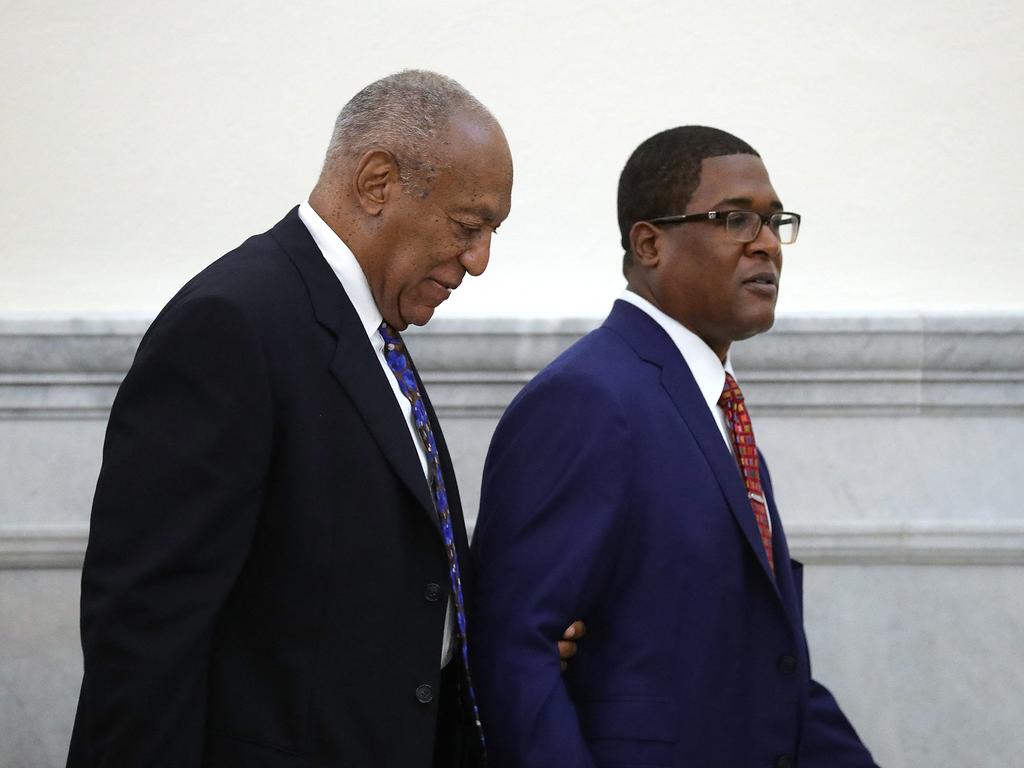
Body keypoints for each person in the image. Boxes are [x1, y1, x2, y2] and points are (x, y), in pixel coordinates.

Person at [66, 70, 581, 768]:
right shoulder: (232, 324)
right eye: (469, 226)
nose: (480, 260)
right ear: (377, 182)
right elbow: (144, 636)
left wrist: (503, 626)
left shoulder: (370, 331)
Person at [470, 126, 879, 768]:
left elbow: (777, 671)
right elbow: (514, 653)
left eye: (776, 222)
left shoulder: (718, 408)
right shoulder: (587, 399)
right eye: (736, 219)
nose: (767, 243)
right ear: (650, 242)